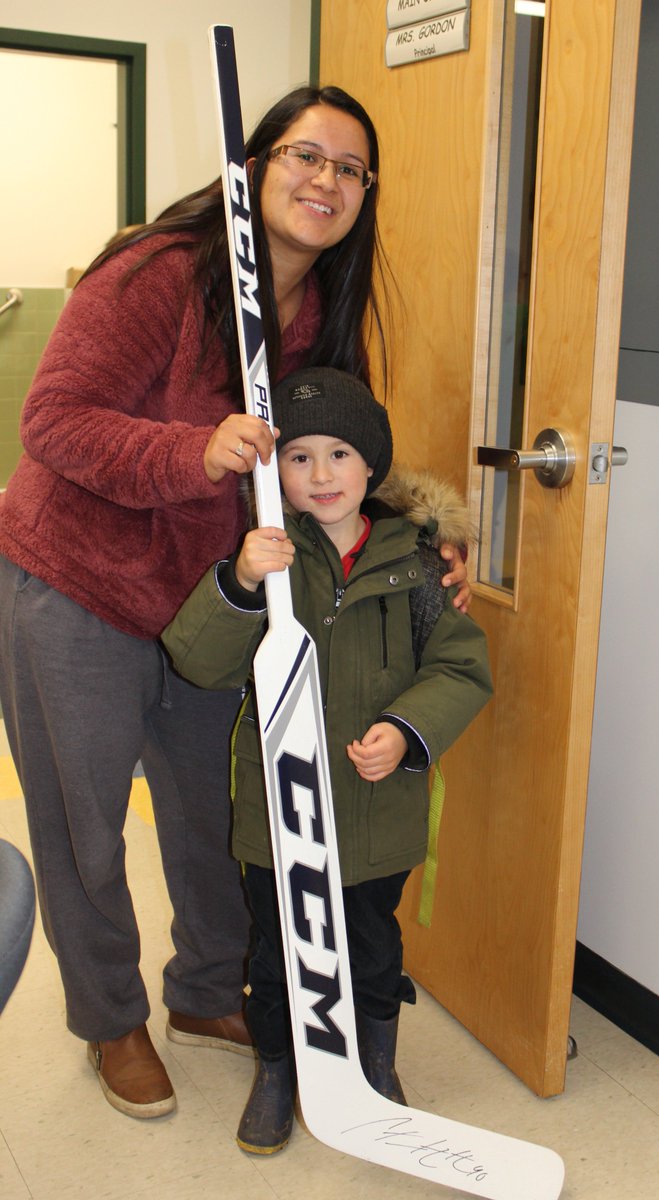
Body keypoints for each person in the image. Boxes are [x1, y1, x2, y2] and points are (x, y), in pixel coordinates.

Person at [0, 84, 470, 1120]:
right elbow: (52, 421)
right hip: (75, 583)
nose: (325, 181)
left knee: (223, 815)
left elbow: (333, 461)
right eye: (306, 156)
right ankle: (110, 1018)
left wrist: (419, 534)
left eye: (349, 169)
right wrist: (190, 449)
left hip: (214, 607)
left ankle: (207, 993)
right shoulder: (157, 272)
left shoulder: (323, 311)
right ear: (254, 166)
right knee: (86, 828)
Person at [162, 366, 493, 1154]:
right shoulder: (269, 557)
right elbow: (197, 662)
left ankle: (375, 1069)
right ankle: (278, 1070)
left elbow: (461, 669)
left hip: (378, 816)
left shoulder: (418, 564)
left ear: (371, 466)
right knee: (276, 955)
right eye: (299, 457)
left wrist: (407, 730)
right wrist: (241, 582)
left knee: (371, 947)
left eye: (339, 454)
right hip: (280, 815)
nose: (320, 474)